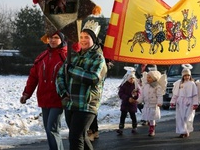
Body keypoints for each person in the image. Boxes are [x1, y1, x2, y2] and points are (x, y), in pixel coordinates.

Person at [56, 20, 107, 150]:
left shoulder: (98, 57)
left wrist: (72, 70)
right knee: (81, 137)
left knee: (75, 138)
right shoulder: (75, 57)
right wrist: (63, 92)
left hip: (86, 104)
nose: (83, 40)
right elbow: (60, 75)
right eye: (81, 37)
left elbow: (93, 78)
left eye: (87, 37)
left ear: (94, 40)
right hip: (70, 102)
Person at [20, 31, 67, 150]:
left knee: (52, 129)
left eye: (56, 38)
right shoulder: (42, 56)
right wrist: (26, 94)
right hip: (44, 98)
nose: (52, 40)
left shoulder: (67, 56)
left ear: (62, 40)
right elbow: (33, 77)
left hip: (59, 99)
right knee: (49, 129)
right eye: (50, 38)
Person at [170, 64, 199, 138]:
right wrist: (173, 101)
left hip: (189, 102)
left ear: (190, 76)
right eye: (185, 75)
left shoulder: (192, 84)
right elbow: (176, 94)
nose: (186, 77)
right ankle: (182, 131)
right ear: (182, 76)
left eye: (188, 75)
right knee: (180, 117)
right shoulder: (179, 83)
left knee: (187, 117)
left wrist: (195, 103)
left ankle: (187, 130)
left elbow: (195, 94)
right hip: (180, 102)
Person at [137, 70, 167, 136]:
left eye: (149, 77)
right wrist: (138, 100)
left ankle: (152, 129)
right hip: (147, 104)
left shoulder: (157, 86)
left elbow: (159, 95)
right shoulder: (145, 86)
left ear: (154, 78)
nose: (147, 79)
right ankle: (151, 124)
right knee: (148, 117)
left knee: (152, 117)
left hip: (153, 104)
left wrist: (159, 102)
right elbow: (142, 95)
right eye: (147, 77)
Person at [116, 67, 139, 135]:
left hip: (132, 104)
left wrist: (135, 96)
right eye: (130, 78)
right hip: (125, 103)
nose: (132, 80)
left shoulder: (135, 86)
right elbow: (120, 94)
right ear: (127, 78)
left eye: (133, 78)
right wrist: (127, 98)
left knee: (133, 116)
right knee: (123, 116)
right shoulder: (124, 85)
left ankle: (134, 127)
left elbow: (138, 94)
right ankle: (121, 128)